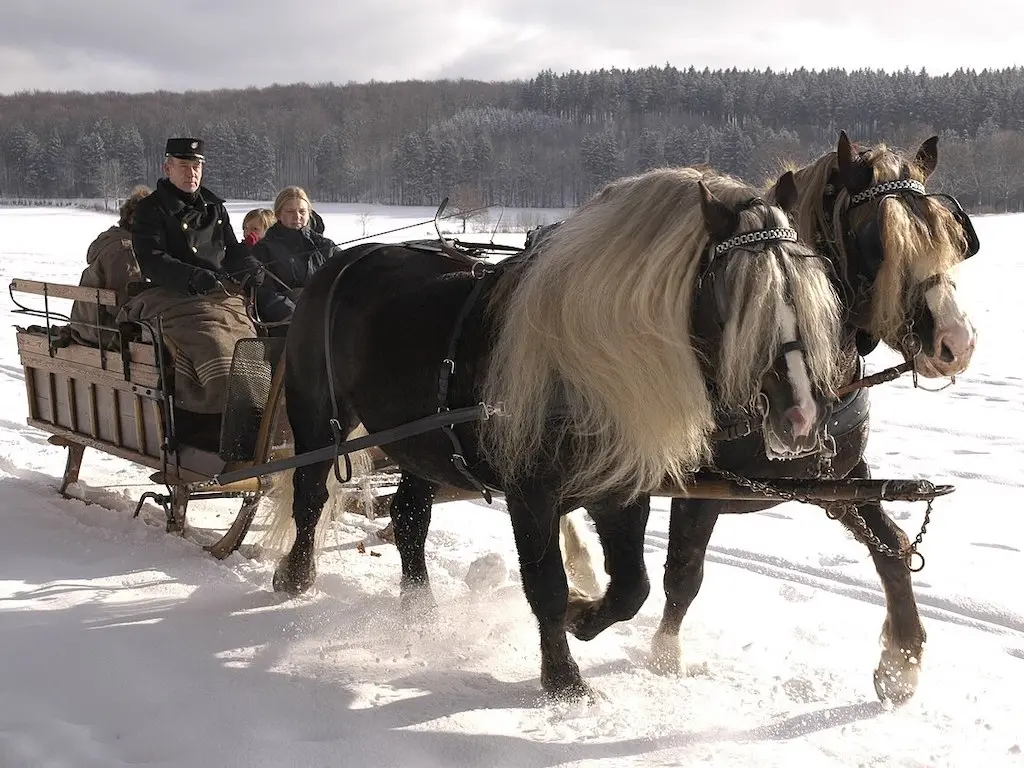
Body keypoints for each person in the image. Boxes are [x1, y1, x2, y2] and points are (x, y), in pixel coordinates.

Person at [120, 138, 264, 443]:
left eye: (196, 166)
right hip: (169, 298)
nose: (191, 173)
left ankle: (259, 419)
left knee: (252, 347)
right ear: (167, 167)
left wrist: (251, 266)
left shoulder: (215, 207)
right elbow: (152, 260)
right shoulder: (151, 209)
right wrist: (192, 276)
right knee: (216, 346)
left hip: (219, 298)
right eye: (184, 166)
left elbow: (233, 249)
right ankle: (211, 429)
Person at [67, 185, 150, 347]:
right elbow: (122, 305)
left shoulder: (115, 240)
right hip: (102, 330)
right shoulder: (124, 250)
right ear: (133, 219)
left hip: (89, 325)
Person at [252, 186, 339, 331]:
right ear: (278, 215)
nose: (297, 216)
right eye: (290, 211)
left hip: (326, 320)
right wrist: (297, 315)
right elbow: (264, 294)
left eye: (302, 211)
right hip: (286, 325)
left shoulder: (325, 246)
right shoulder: (264, 249)